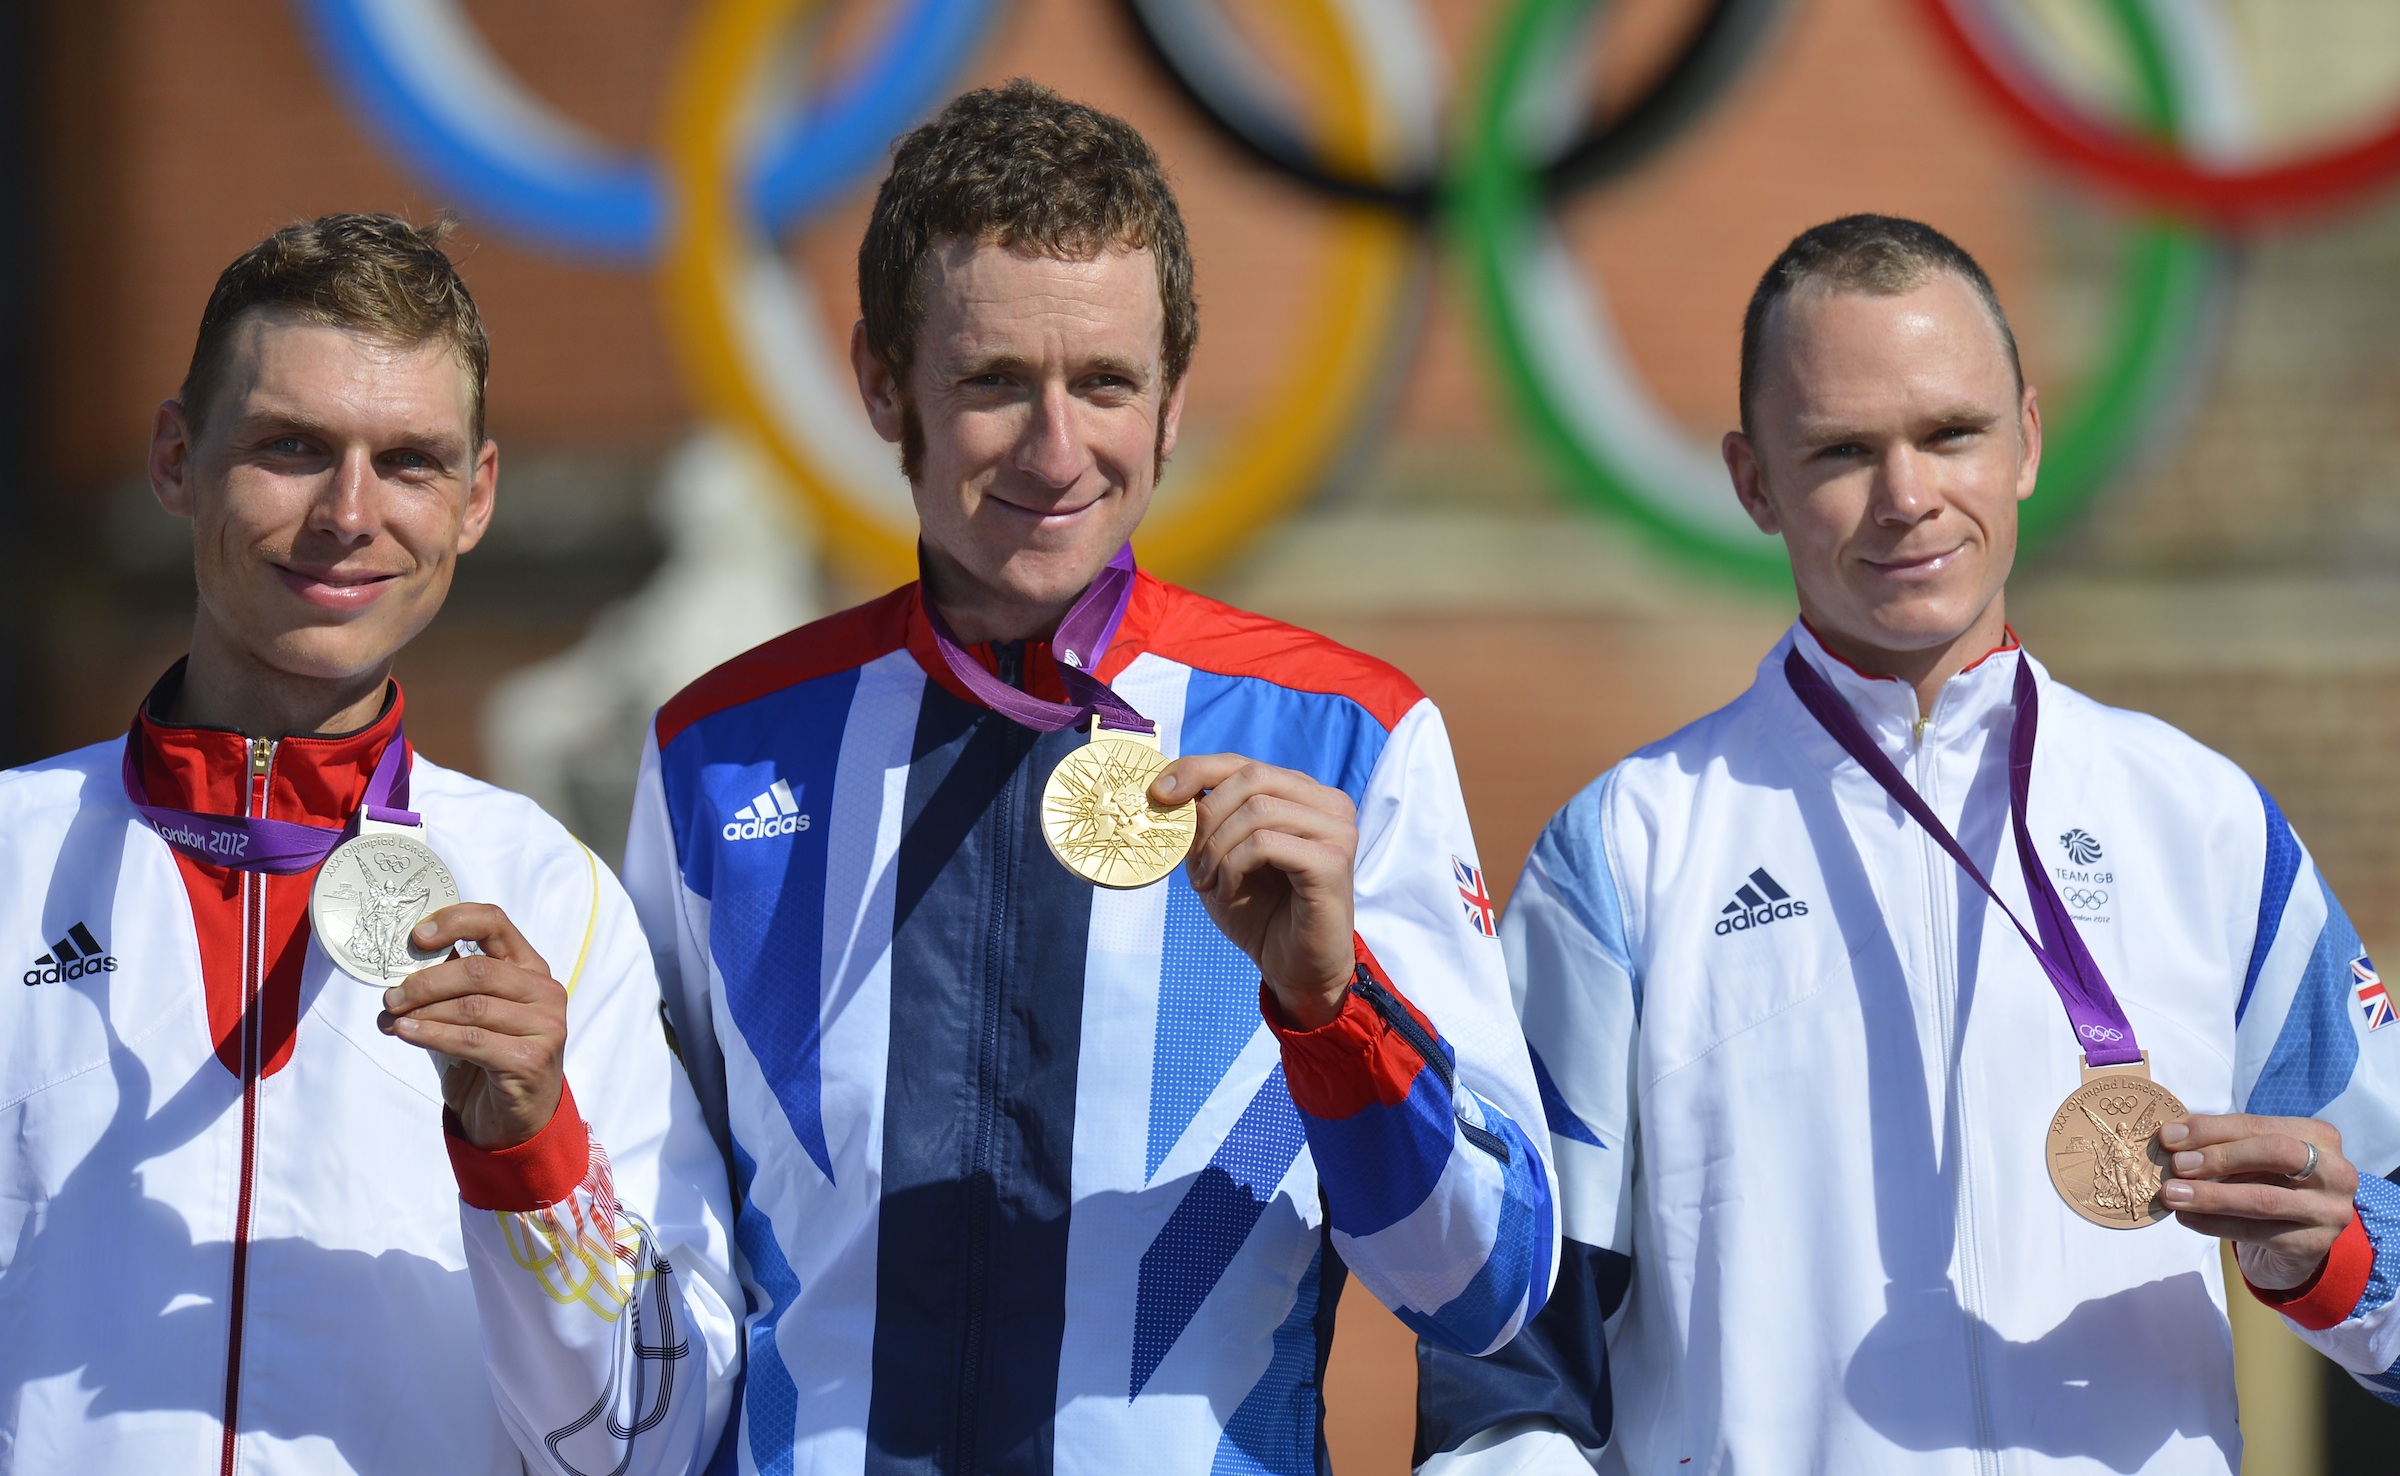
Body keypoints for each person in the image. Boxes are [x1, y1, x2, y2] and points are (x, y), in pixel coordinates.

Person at [623, 80, 1555, 1474]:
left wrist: (1330, 1008)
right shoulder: (726, 749)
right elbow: (660, 1276)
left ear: (1175, 400)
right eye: (996, 382)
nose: (1058, 454)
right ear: (883, 382)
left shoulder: (1349, 737)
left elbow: (1484, 1290)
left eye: (1106, 384)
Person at [1415, 214, 2400, 1473]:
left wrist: (2335, 1253)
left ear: (2029, 439)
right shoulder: (1627, 849)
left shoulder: (2202, 822)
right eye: (1840, 450)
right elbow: (1508, 1355)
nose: (1908, 497)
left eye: (1952, 433)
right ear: (1751, 479)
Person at [0, 214, 739, 1475]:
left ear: (477, 499)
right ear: (177, 459)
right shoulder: (15, 858)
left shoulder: (555, 899)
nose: (350, 514)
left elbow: (647, 1446)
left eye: (408, 461)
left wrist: (530, 1152)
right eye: (292, 448)